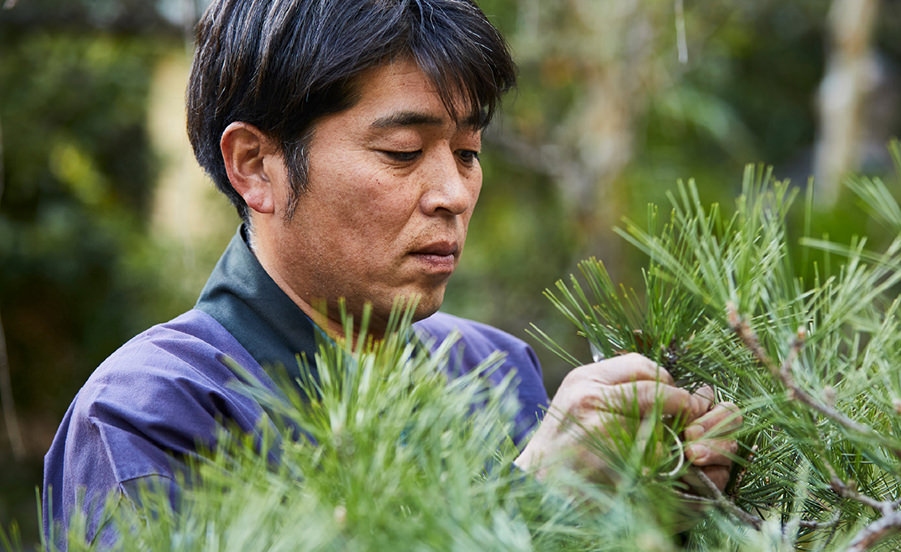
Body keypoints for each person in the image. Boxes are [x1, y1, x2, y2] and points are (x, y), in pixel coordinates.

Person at [43, 0, 740, 546]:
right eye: (404, 152)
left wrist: (653, 515)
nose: (453, 192)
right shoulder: (151, 414)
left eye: (467, 152)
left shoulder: (491, 370)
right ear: (255, 164)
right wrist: (534, 506)